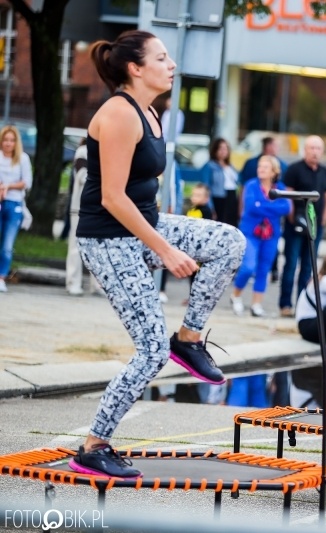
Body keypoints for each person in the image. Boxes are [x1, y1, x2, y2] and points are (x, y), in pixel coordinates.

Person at [68, 30, 246, 479]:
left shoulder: (152, 111)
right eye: (162, 58)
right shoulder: (118, 113)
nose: (171, 65)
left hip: (146, 224)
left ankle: (187, 339)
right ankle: (94, 446)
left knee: (229, 242)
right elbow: (111, 197)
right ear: (135, 68)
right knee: (149, 351)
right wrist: (165, 250)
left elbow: (142, 190)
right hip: (108, 238)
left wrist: (172, 234)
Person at [278, 135, 326, 317]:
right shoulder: (294, 169)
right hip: (295, 226)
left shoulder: (325, 172)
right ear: (305, 150)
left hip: (315, 226)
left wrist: (323, 219)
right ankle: (285, 304)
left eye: (318, 148)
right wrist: (292, 219)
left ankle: (303, 304)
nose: (315, 152)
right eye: (311, 148)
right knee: (291, 264)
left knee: (308, 267)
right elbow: (289, 196)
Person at [230, 155, 291, 317]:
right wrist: (272, 206)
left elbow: (285, 207)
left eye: (265, 167)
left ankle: (256, 304)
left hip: (271, 234)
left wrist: (263, 205)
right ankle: (235, 295)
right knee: (248, 266)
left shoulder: (280, 187)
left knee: (264, 269)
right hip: (251, 232)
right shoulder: (251, 185)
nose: (261, 169)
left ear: (274, 171)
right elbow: (251, 207)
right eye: (260, 166)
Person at [0, 125, 33, 293]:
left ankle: (2, 276)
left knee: (7, 244)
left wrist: (9, 186)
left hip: (14, 204)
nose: (8, 143)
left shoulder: (23, 159)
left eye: (11, 140)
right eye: (5, 140)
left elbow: (26, 182)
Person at [66, 138, 92, 296]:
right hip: (80, 207)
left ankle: (98, 285)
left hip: (101, 208)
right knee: (76, 247)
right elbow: (82, 177)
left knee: (100, 247)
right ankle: (73, 282)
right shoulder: (83, 151)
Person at [201, 137, 240, 227]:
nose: (223, 151)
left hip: (231, 196)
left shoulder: (230, 166)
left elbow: (237, 181)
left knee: (231, 224)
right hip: (218, 198)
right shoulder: (210, 166)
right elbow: (206, 187)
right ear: (215, 150)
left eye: (225, 148)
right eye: (220, 148)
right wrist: (210, 206)